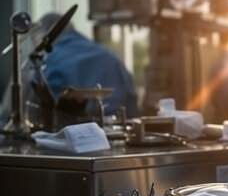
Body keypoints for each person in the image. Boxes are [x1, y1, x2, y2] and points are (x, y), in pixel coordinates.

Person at [1, 12, 139, 126]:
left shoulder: (41, 63)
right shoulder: (110, 57)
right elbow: (133, 109)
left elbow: (11, 116)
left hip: (62, 148)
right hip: (116, 141)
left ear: (40, 36)